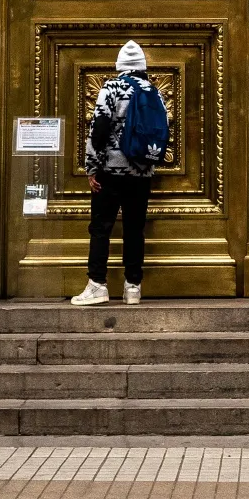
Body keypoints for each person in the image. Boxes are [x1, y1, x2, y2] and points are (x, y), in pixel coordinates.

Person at [71, 40, 158, 306]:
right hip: (141, 172)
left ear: (120, 66)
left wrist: (91, 167)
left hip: (111, 170)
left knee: (101, 228)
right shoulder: (153, 90)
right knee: (134, 229)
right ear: (142, 66)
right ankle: (133, 286)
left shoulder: (111, 87)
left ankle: (97, 284)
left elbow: (99, 128)